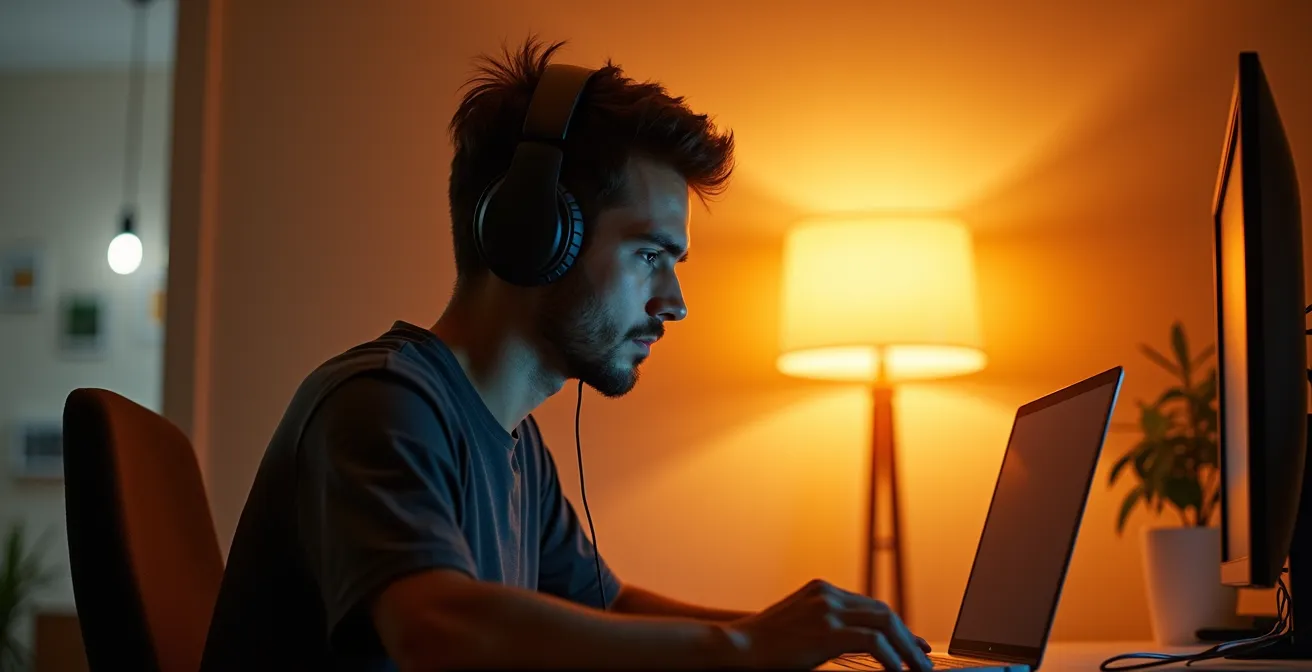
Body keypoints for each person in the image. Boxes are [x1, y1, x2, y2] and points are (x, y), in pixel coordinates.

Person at [199, 37, 933, 672]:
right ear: (538, 235)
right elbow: (435, 629)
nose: (674, 302)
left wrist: (798, 639)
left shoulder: (515, 445)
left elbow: (612, 607)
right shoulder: (379, 404)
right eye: (650, 253)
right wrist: (742, 651)